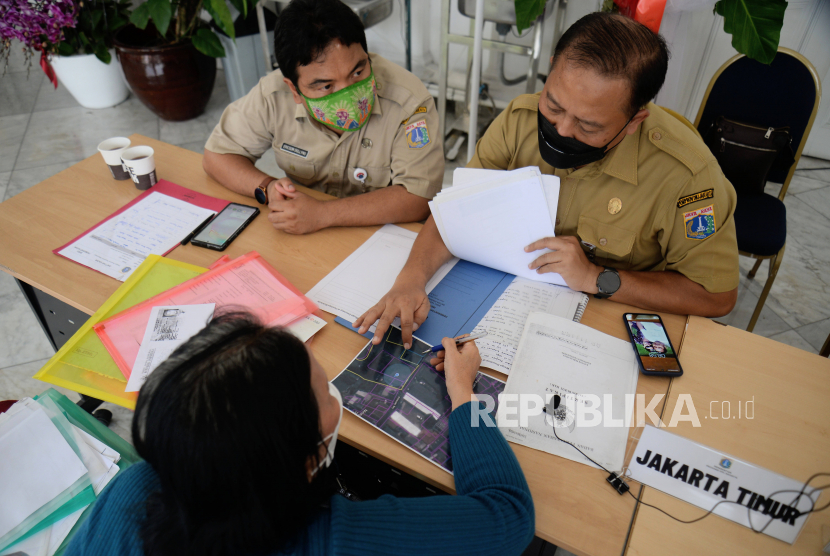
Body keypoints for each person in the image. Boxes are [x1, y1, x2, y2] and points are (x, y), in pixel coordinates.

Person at [354, 12, 739, 350]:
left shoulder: (686, 175)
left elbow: (716, 296)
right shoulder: (519, 120)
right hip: (503, 307)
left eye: (589, 125)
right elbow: (455, 212)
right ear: (553, 67)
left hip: (606, 323)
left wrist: (597, 277)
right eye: (553, 105)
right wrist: (410, 279)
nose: (562, 129)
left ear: (636, 118)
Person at [65, 313, 534, 556]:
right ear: (307, 461)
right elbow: (508, 515)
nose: (335, 395)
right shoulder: (336, 540)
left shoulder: (134, 490)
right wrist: (462, 393)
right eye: (325, 394)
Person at [203, 0, 443, 235]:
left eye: (357, 72)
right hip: (305, 236)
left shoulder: (408, 101)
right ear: (294, 89)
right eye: (326, 86)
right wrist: (268, 187)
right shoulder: (273, 94)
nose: (348, 96)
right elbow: (217, 155)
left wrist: (323, 214)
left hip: (383, 234)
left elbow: (419, 197)